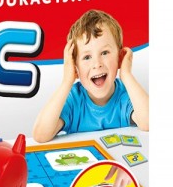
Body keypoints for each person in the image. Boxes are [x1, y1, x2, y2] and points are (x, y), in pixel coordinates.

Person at [32, 10, 149, 143]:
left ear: (120, 58)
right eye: (87, 57)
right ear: (75, 68)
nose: (97, 64)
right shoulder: (74, 100)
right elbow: (40, 135)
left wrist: (126, 75)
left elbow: (149, 123)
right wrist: (66, 81)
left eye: (104, 53)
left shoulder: (127, 94)